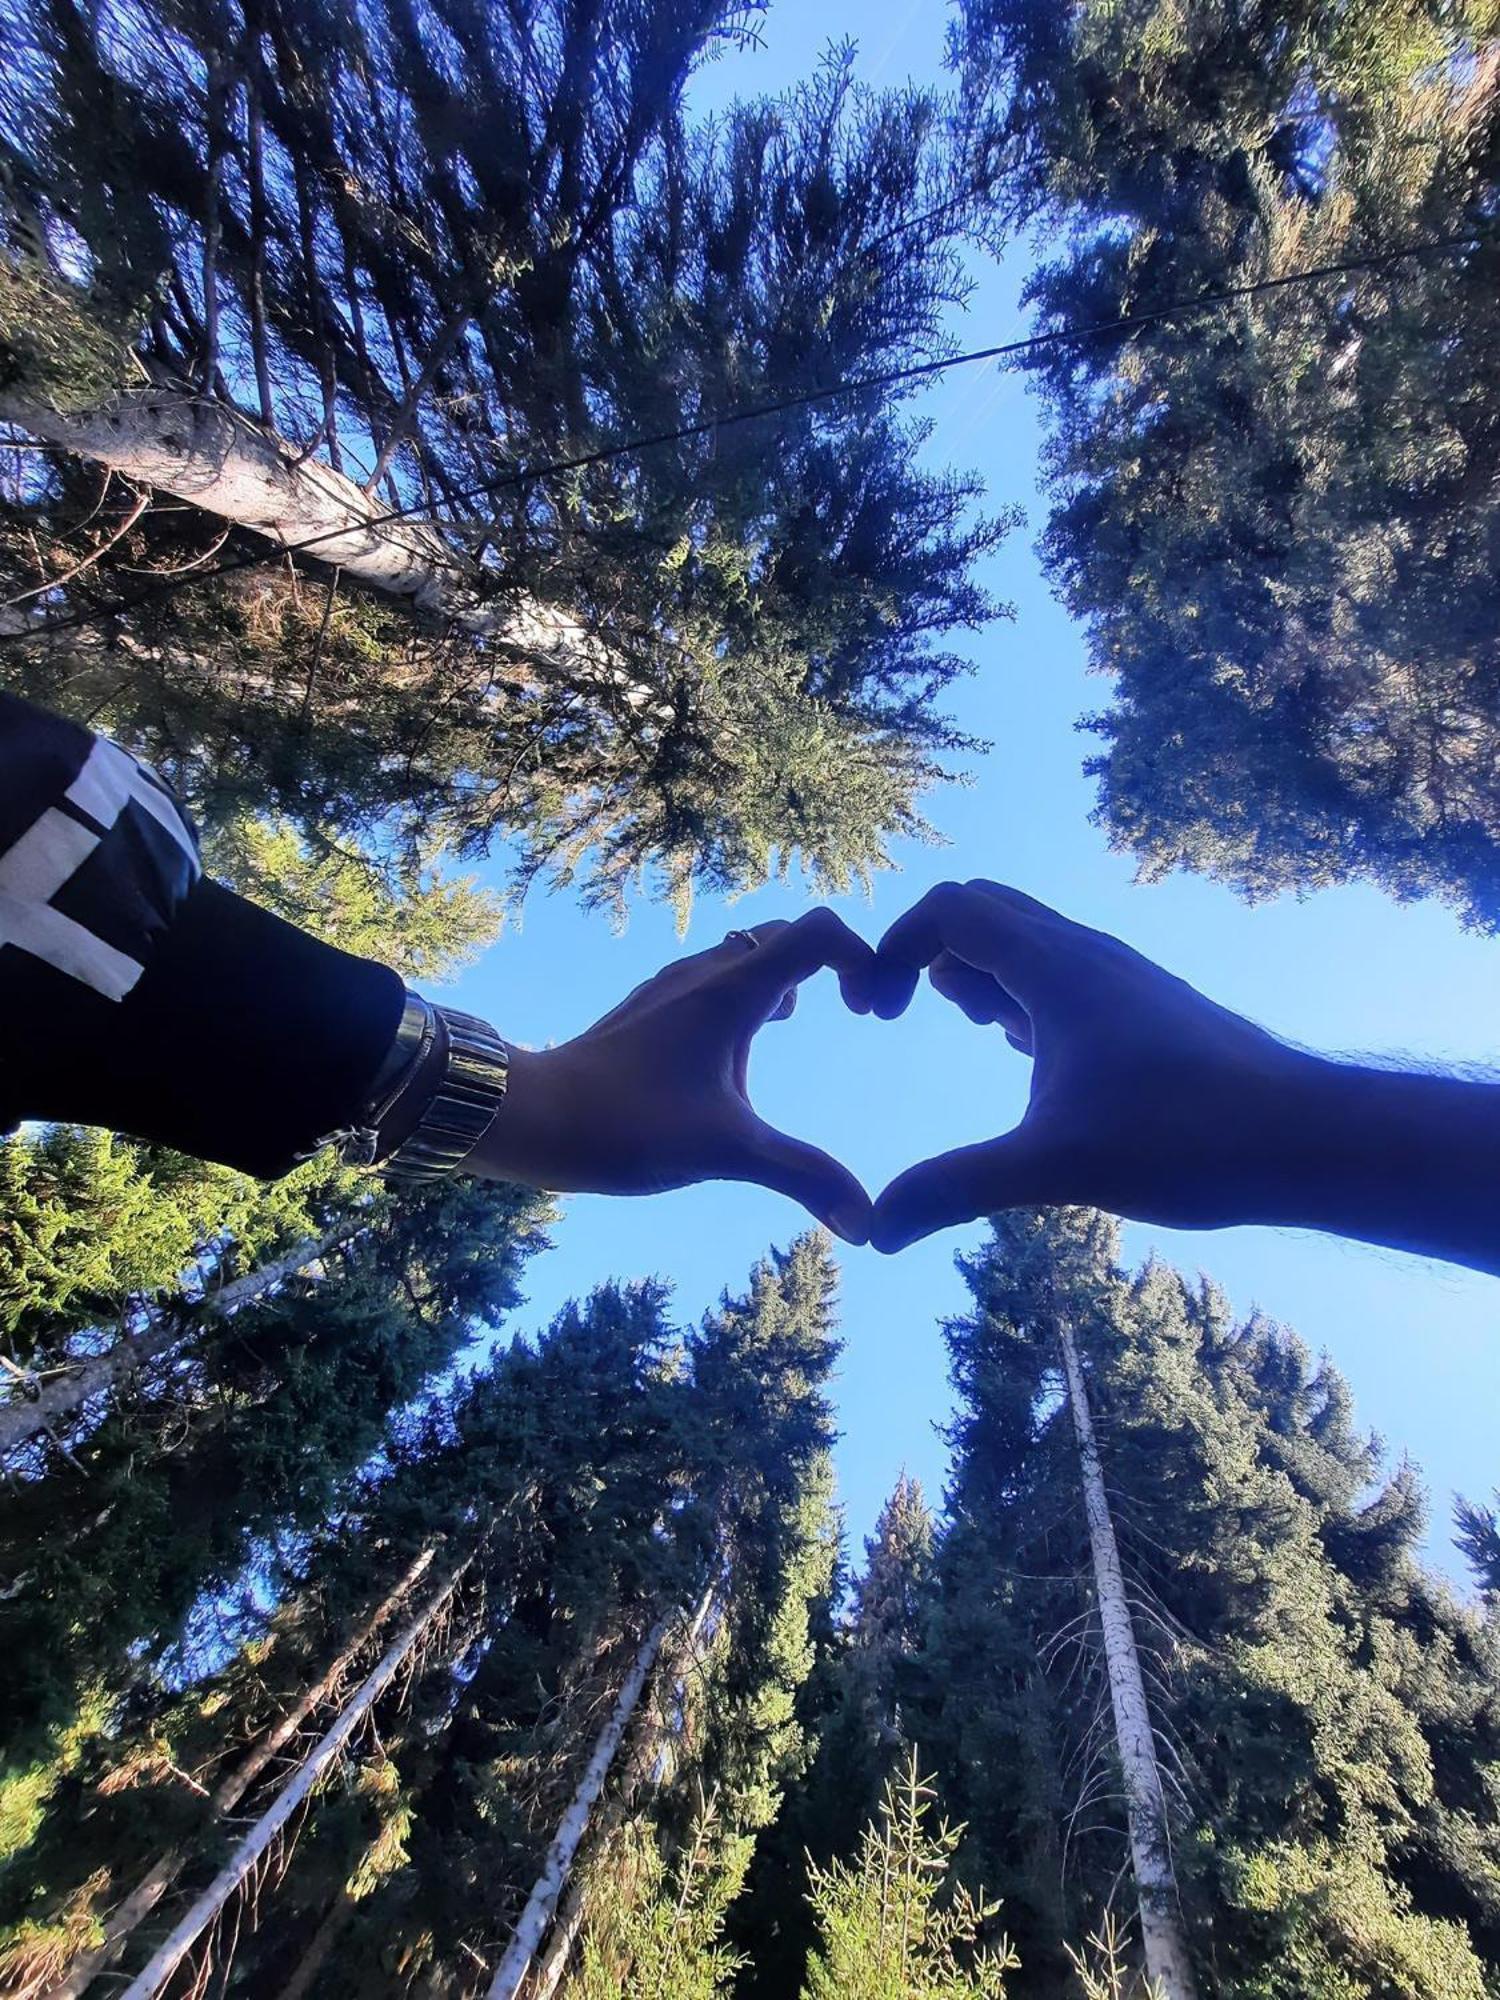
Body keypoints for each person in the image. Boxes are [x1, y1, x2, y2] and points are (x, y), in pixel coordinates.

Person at [3, 693, 1496, 1274]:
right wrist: (1303, 1131)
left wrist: (527, 1102)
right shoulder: (76, 833)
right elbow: (68, 920)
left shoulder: (78, 826)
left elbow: (70, 917)